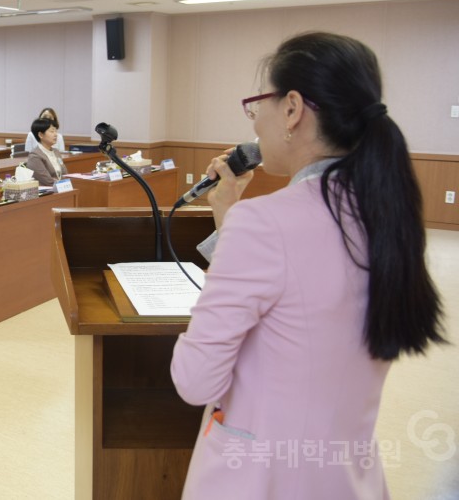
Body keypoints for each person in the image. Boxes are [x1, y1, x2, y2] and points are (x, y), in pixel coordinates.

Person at [170, 32, 445, 499]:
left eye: (259, 105)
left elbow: (195, 381)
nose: (255, 125)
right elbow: (299, 300)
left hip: (261, 479)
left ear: (293, 109)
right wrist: (228, 218)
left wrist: (235, 231)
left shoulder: (264, 222)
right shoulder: (388, 217)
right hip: (346, 476)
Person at [25, 117, 67, 186]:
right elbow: (47, 181)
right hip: (47, 192)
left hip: (61, 188)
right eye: (52, 131)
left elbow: (65, 173)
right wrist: (62, 184)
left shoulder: (56, 152)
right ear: (41, 135)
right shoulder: (35, 156)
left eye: (56, 131)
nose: (55, 134)